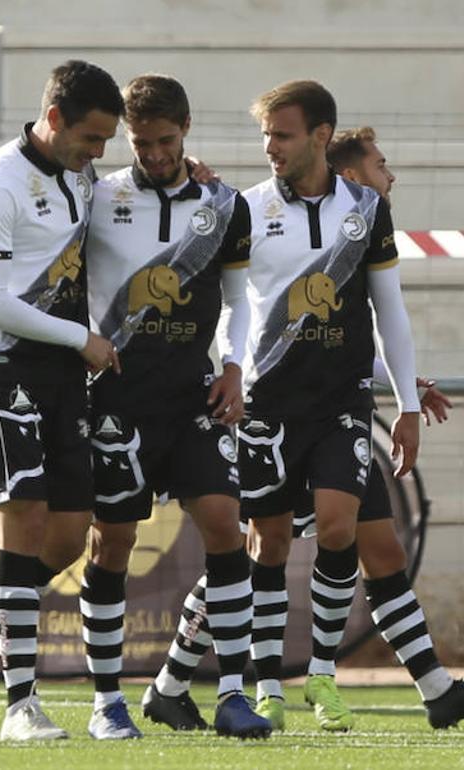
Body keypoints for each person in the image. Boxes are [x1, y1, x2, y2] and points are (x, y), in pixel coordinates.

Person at [149, 126, 463, 732]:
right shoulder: (273, 220)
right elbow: (270, 325)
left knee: (375, 543)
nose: (389, 176)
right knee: (258, 549)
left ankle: (431, 689)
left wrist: (405, 384)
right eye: (380, 165)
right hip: (274, 415)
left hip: (337, 414)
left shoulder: (362, 223)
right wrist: (200, 192)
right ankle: (194, 682)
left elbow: (348, 336)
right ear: (347, 174)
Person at [0, 60, 123, 742]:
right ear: (56, 118)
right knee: (26, 519)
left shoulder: (84, 175)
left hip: (64, 369)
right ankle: (21, 706)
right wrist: (84, 338)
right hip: (1, 366)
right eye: (92, 138)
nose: (100, 153)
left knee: (70, 533)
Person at [73, 73, 269, 739]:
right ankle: (106, 702)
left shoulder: (224, 203)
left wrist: (236, 364)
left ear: (186, 129)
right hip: (116, 402)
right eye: (142, 142)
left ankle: (235, 695)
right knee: (114, 541)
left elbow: (241, 299)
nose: (154, 154)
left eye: (165, 140)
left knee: (225, 523)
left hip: (193, 393)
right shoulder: (96, 197)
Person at [224, 80, 420, 732]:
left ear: (317, 135)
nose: (269, 147)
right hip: (267, 400)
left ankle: (321, 676)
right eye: (265, 135)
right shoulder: (245, 209)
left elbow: (389, 310)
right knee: (269, 541)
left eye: (281, 134)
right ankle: (268, 687)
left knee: (338, 528)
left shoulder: (366, 207)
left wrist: (410, 402)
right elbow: (222, 303)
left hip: (343, 399)